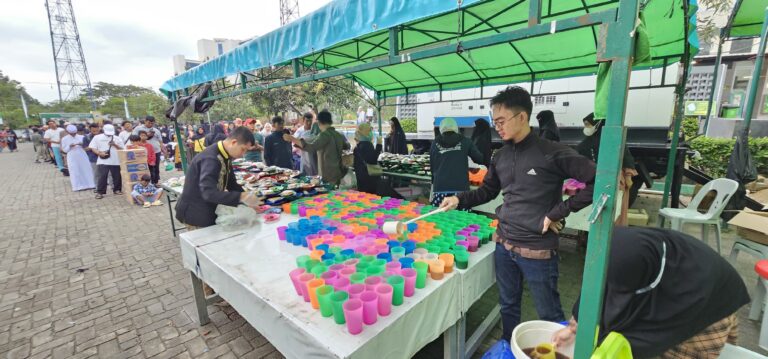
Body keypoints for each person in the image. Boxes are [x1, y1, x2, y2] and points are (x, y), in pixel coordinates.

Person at [439, 86, 596, 342]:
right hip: (504, 245)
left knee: (548, 314)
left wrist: (558, 212)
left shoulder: (551, 151)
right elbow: (488, 191)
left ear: (522, 117)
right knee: (508, 306)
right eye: (494, 122)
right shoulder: (500, 155)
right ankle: (510, 348)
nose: (497, 127)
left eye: (501, 121)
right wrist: (459, 198)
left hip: (537, 250)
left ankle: (558, 351)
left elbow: (598, 179)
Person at [552, 227, 749, 359]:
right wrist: (574, 328)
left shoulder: (693, 280)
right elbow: (594, 291)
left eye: (625, 292)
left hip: (707, 313)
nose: (617, 299)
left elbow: (653, 338)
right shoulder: (615, 251)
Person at [175, 127, 261, 227]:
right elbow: (208, 193)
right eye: (243, 149)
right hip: (195, 213)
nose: (243, 155)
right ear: (234, 142)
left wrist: (246, 200)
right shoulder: (211, 158)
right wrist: (241, 197)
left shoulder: (225, 154)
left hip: (206, 210)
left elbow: (232, 183)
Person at [576, 113, 637, 224]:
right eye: (585, 125)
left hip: (614, 179)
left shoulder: (612, 139)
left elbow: (626, 156)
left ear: (597, 124)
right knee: (596, 209)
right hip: (595, 179)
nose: (586, 128)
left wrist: (628, 176)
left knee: (613, 210)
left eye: (588, 124)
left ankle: (614, 234)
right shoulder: (587, 142)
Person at [284, 110, 350, 185]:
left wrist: (292, 139)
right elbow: (347, 146)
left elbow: (311, 148)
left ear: (319, 122)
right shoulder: (338, 134)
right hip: (338, 171)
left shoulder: (324, 135)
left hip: (328, 174)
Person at [430, 118, 485, 208]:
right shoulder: (465, 141)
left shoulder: (435, 143)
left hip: (441, 186)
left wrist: (434, 182)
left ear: (441, 128)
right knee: (462, 219)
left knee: (440, 218)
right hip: (461, 188)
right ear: (455, 128)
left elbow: (432, 166)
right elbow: (479, 159)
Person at [89, 124, 125, 199]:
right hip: (103, 160)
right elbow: (93, 147)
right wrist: (99, 153)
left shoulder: (117, 138)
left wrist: (115, 145)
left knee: (117, 176)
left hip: (115, 160)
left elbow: (122, 149)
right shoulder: (97, 137)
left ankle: (117, 189)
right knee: (102, 176)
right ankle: (100, 192)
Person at [60, 125, 95, 191]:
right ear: (68, 132)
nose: (73, 134)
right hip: (72, 156)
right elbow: (64, 150)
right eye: (71, 133)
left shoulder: (82, 137)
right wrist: (69, 146)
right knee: (74, 170)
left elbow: (87, 147)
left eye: (75, 133)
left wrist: (82, 145)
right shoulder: (64, 139)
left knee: (86, 169)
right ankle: (78, 186)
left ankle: (90, 184)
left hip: (82, 155)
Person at [132, 116, 166, 185]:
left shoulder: (156, 130)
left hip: (156, 151)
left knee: (156, 167)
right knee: (144, 168)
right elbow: (133, 138)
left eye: (152, 123)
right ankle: (145, 183)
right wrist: (146, 135)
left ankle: (155, 182)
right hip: (142, 152)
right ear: (145, 121)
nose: (150, 124)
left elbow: (160, 141)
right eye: (149, 123)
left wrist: (163, 150)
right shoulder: (138, 129)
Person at [353, 122, 383, 194]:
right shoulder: (367, 145)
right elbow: (372, 160)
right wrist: (379, 145)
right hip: (369, 178)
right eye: (369, 131)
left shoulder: (358, 145)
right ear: (364, 132)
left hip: (360, 177)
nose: (371, 133)